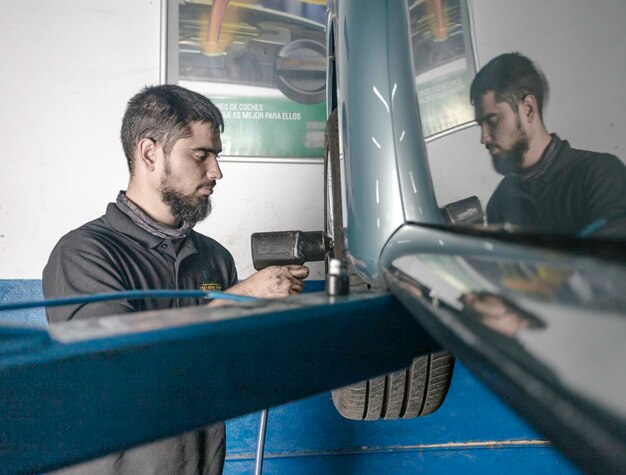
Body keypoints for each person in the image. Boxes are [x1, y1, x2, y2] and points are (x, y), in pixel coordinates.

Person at [42, 84, 309, 474]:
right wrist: (233, 302)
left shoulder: (213, 258)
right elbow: (115, 372)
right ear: (150, 153)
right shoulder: (84, 253)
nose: (216, 171)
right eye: (201, 156)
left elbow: (229, 375)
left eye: (216, 156)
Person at [470, 52, 626, 237]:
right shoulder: (499, 203)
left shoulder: (601, 175)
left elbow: (606, 261)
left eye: (493, 120)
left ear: (528, 109)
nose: (484, 138)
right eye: (481, 124)